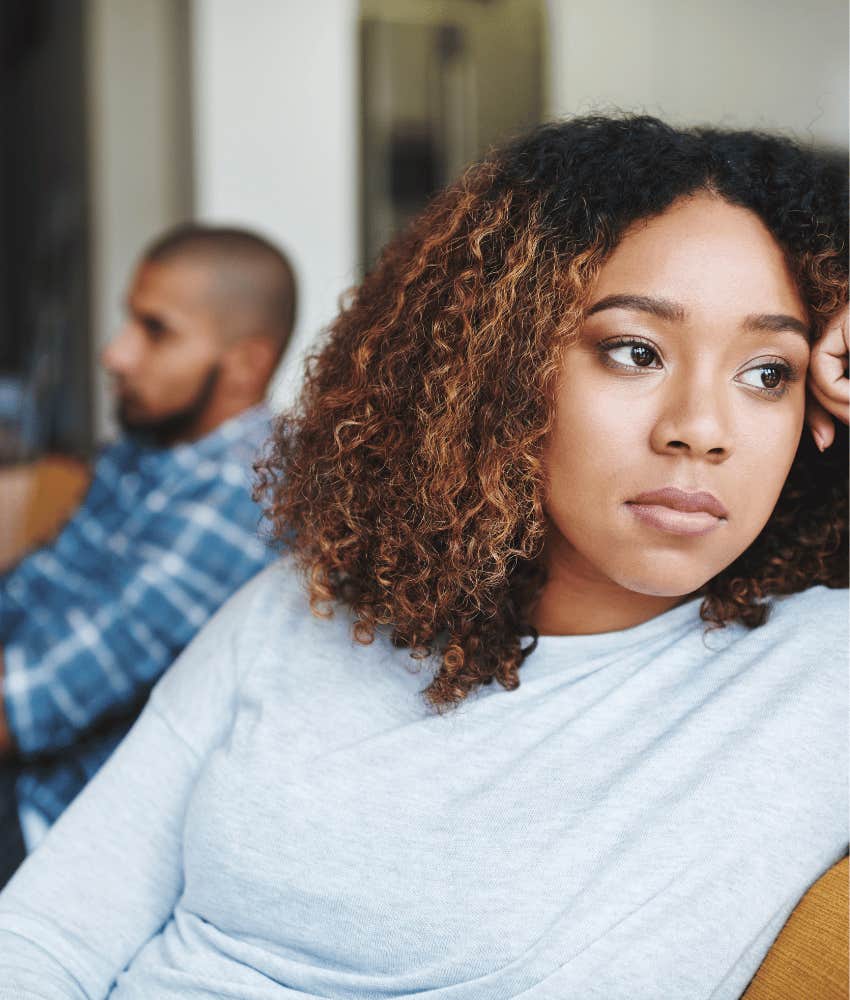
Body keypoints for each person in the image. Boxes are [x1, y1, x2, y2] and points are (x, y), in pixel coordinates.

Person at [0, 116, 846, 1000]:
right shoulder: (303, 605)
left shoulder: (821, 673)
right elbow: (48, 934)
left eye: (767, 373)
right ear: (500, 367)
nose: (701, 430)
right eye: (634, 351)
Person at [0, 224, 297, 880]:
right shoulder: (146, 452)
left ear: (246, 362)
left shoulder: (239, 494)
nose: (116, 353)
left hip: (59, 821)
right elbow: (25, 595)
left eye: (155, 330)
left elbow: (26, 708)